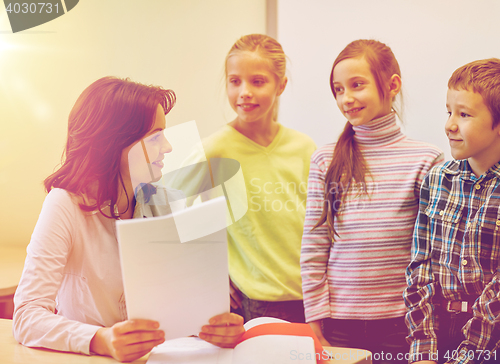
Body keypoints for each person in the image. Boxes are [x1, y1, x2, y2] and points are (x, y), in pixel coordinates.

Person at [13, 76, 244, 363]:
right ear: (116, 142)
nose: (169, 147)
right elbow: (27, 315)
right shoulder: (64, 205)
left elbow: (194, 309)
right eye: (156, 136)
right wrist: (101, 340)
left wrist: (220, 327)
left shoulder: (170, 203)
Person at [300, 39, 444, 363]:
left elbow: (430, 255)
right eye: (338, 89)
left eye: (357, 85)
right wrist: (314, 320)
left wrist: (427, 329)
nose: (346, 98)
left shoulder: (426, 159)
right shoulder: (325, 159)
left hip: (402, 324)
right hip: (338, 325)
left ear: (392, 85)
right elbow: (314, 244)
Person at [173, 34, 316, 323]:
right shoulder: (214, 150)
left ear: (281, 85)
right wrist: (209, 274)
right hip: (258, 301)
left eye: (258, 81)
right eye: (235, 81)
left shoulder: (305, 147)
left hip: (313, 297)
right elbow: (163, 212)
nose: (245, 92)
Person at [404, 59, 500, 364]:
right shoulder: (437, 179)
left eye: (464, 114)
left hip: (489, 339)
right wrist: (424, 352)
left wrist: (467, 356)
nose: (449, 125)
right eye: (449, 112)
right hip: (439, 331)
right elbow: (420, 269)